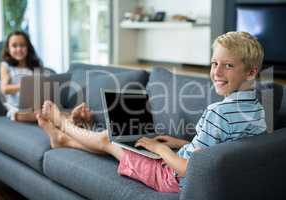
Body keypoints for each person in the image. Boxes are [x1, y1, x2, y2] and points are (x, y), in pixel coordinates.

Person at [36, 31, 267, 193]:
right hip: (183, 162)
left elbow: (188, 169)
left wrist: (160, 149)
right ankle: (62, 139)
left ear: (250, 72)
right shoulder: (256, 108)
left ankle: (63, 123)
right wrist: (177, 142)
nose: (217, 72)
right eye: (214, 63)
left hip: (170, 177)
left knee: (109, 139)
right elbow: (215, 150)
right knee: (124, 141)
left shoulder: (218, 112)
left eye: (228, 65)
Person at [0, 30, 43, 122]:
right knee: (21, 114)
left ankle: (52, 117)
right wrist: (23, 86)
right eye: (14, 46)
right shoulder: (6, 66)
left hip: (35, 105)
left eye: (22, 45)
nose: (19, 49)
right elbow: (4, 89)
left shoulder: (34, 67)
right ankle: (50, 119)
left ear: (28, 47)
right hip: (17, 108)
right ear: (8, 49)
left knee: (44, 109)